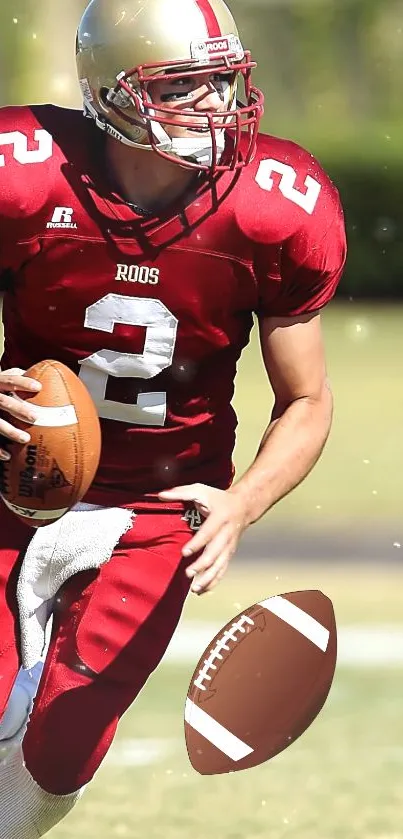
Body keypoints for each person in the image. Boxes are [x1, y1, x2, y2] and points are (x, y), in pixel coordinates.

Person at [0, 0, 346, 835]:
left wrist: (240, 504)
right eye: (183, 84)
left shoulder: (273, 209)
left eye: (222, 81)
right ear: (111, 93)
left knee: (59, 748)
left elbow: (307, 398)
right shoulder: (23, 172)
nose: (215, 105)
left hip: (164, 506)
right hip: (15, 478)